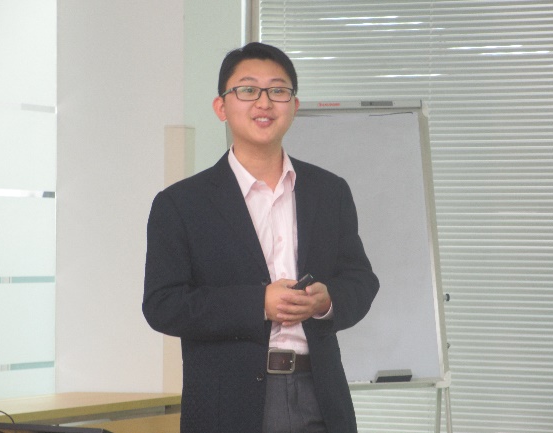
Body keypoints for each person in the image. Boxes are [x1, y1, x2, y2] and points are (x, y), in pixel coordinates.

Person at [143, 42, 379, 433]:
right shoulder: (181, 203)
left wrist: (327, 301)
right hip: (228, 404)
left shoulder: (329, 191)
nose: (264, 102)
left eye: (278, 90)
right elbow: (163, 305)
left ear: (294, 106)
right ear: (221, 107)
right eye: (248, 90)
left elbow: (361, 279)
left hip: (320, 394)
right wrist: (259, 303)